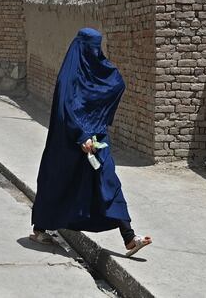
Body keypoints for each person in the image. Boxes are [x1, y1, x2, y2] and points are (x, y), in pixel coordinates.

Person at [29, 28, 152, 257]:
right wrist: (80, 135)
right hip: (68, 141)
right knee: (59, 183)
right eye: (91, 48)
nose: (95, 53)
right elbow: (66, 108)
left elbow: (116, 83)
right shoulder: (69, 76)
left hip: (97, 137)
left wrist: (94, 125)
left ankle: (129, 237)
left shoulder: (97, 70)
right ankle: (39, 228)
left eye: (98, 47)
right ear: (82, 47)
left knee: (108, 180)